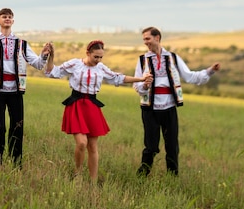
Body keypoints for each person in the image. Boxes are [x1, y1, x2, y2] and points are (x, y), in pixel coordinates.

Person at [44, 40, 152, 183]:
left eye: (101, 57)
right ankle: (77, 174)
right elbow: (53, 72)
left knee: (93, 146)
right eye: (96, 57)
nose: (98, 60)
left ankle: (93, 181)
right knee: (81, 143)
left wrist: (141, 79)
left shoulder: (101, 68)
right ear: (88, 53)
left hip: (92, 107)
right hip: (76, 105)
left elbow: (117, 78)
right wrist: (51, 56)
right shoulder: (75, 64)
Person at [0, 8, 52, 168]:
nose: (7, 19)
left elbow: (37, 64)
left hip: (16, 91)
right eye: (4, 16)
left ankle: (16, 164)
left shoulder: (22, 44)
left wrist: (43, 54)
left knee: (17, 128)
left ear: (13, 21)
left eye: (9, 17)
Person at [133, 26, 221, 177]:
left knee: (172, 146)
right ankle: (141, 176)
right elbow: (136, 85)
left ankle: (172, 178)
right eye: (144, 40)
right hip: (149, 109)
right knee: (151, 146)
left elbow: (190, 76)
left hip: (169, 107)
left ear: (157, 38)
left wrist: (210, 71)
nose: (145, 42)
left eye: (147, 39)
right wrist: (145, 85)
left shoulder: (173, 58)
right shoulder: (142, 60)